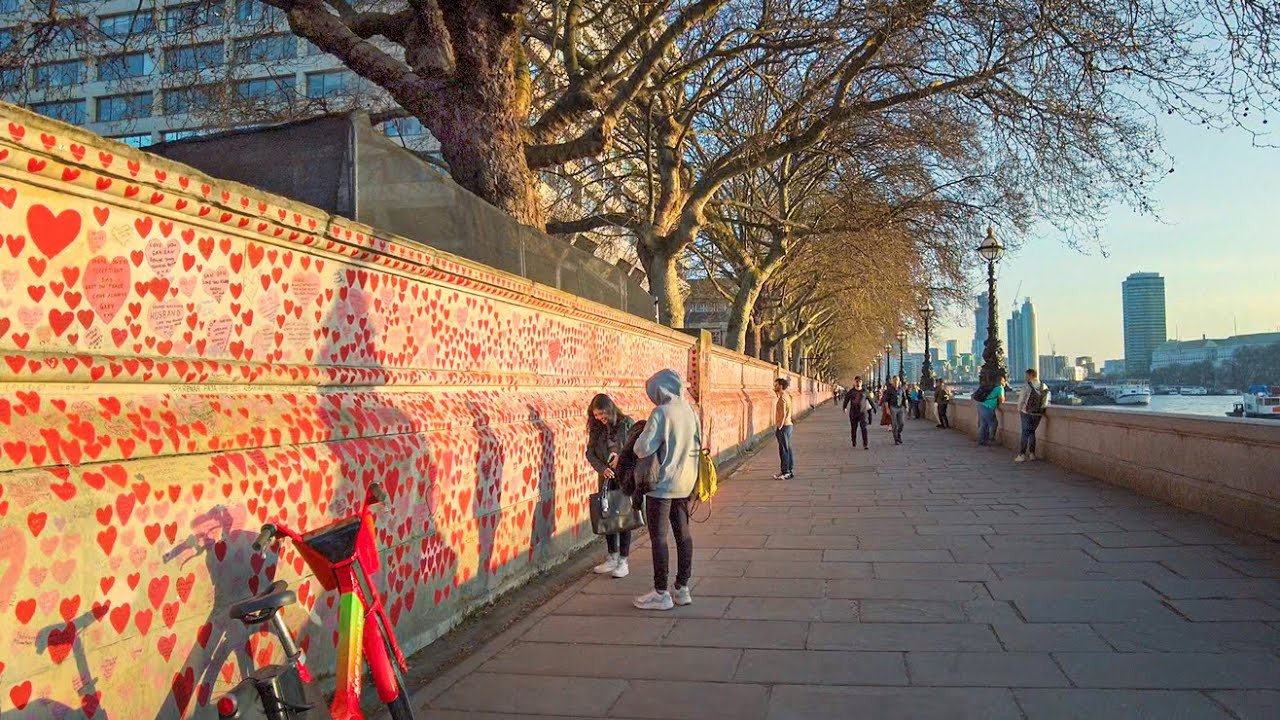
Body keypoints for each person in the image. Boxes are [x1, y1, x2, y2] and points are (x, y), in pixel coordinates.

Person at [632, 369, 701, 611]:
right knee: (683, 535)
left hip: (661, 486)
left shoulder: (661, 413)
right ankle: (682, 587)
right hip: (685, 482)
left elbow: (642, 448)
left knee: (659, 538)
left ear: (659, 390)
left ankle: (660, 592)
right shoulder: (691, 411)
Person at [585, 394, 636, 578]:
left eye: (601, 414)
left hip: (623, 477)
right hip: (606, 477)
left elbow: (636, 449)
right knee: (607, 515)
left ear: (609, 409)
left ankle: (623, 560)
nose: (599, 418)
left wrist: (620, 459)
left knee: (623, 516)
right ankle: (612, 557)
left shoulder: (626, 423)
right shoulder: (596, 429)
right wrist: (602, 468)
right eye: (596, 415)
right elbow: (590, 453)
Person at [1015, 369, 1051, 462]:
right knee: (1032, 433)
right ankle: (1032, 454)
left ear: (1030, 375)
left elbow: (1022, 399)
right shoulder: (1044, 386)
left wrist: (1019, 409)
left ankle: (1022, 455)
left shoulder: (1027, 386)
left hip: (1026, 412)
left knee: (1025, 433)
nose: (1025, 377)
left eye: (1026, 375)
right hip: (1038, 413)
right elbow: (1045, 401)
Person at [974, 371, 1007, 446]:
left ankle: (981, 441)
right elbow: (1001, 399)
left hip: (981, 405)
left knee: (983, 424)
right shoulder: (1000, 388)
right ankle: (991, 439)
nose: (1005, 382)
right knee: (993, 423)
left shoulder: (993, 386)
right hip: (988, 407)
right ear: (1002, 381)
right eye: (1004, 381)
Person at [841, 376, 874, 449]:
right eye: (857, 381)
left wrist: (874, 408)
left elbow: (870, 400)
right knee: (854, 428)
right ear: (854, 382)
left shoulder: (865, 392)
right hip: (853, 413)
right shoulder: (851, 391)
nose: (858, 383)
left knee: (864, 428)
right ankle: (854, 441)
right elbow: (846, 400)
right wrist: (844, 407)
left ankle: (865, 444)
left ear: (862, 383)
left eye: (860, 381)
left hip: (863, 413)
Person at [773, 377, 795, 480]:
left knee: (783, 449)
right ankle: (788, 469)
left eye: (776, 385)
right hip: (788, 425)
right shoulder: (787, 396)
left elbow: (783, 414)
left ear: (781, 386)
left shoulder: (782, 398)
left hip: (784, 426)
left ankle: (786, 471)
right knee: (787, 448)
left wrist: (779, 426)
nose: (775, 387)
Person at [883, 376, 908, 445]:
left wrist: (906, 407)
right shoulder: (889, 389)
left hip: (900, 407)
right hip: (893, 407)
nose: (896, 382)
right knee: (894, 424)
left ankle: (898, 434)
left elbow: (904, 398)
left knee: (901, 423)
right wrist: (887, 409)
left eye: (897, 380)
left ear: (899, 381)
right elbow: (885, 400)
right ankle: (896, 439)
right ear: (892, 381)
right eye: (895, 380)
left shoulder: (901, 389)